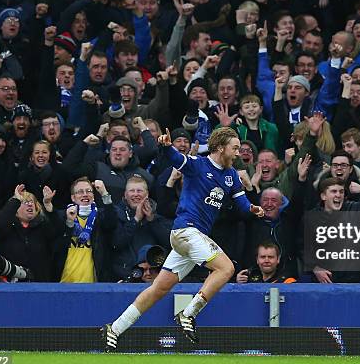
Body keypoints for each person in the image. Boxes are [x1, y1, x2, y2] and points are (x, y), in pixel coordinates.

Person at [103, 127, 265, 350]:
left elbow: (242, 204)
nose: (238, 153)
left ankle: (115, 328)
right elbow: (175, 158)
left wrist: (253, 209)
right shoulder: (198, 165)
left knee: (159, 288)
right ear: (220, 147)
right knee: (226, 269)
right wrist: (165, 145)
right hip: (186, 232)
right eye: (235, 148)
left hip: (192, 240)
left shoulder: (230, 176)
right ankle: (189, 314)